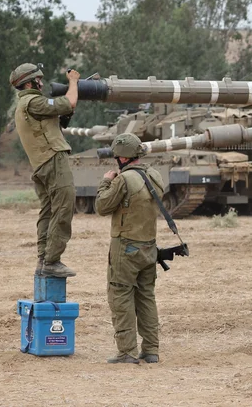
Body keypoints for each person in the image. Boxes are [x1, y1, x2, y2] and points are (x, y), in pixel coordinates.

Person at [95, 133, 163, 364]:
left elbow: (102, 206)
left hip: (126, 248)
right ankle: (151, 350)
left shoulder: (123, 180)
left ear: (122, 158)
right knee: (146, 297)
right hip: (149, 247)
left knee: (120, 296)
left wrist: (106, 181)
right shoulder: (154, 175)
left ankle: (127, 352)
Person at [11, 63, 80, 278]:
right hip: (52, 160)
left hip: (41, 164)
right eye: (38, 80)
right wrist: (74, 82)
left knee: (49, 211)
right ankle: (52, 260)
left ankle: (44, 259)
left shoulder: (24, 104)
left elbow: (60, 118)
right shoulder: (34, 102)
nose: (42, 83)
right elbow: (69, 102)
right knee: (64, 206)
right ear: (29, 83)